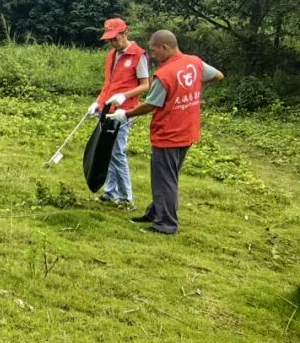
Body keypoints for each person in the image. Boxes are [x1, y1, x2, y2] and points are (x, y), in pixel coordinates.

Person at [106, 30, 224, 234]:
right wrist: (191, 89)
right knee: (168, 176)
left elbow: (150, 105)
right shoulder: (193, 62)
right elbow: (218, 75)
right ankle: (155, 213)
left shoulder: (165, 74)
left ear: (166, 47)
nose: (152, 55)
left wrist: (125, 114)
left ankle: (166, 224)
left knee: (165, 179)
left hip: (169, 133)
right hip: (188, 130)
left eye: (154, 50)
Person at [88, 18, 150, 207]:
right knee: (106, 150)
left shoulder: (139, 56)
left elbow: (146, 85)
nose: (113, 42)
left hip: (124, 111)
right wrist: (97, 103)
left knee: (117, 152)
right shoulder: (111, 55)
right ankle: (110, 192)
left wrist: (124, 96)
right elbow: (108, 84)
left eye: (116, 38)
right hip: (106, 108)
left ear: (126, 33)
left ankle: (126, 198)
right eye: (110, 40)